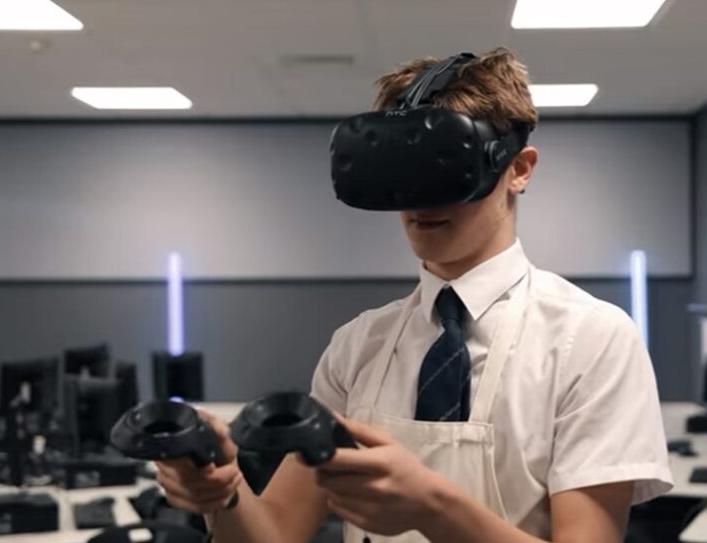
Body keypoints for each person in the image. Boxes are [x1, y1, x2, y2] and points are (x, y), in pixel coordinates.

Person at [154, 47, 673, 543]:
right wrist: (222, 492)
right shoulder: (360, 346)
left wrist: (432, 505)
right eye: (402, 174)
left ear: (518, 169)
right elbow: (277, 534)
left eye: (446, 166)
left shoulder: (591, 340)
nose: (420, 201)